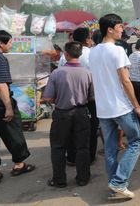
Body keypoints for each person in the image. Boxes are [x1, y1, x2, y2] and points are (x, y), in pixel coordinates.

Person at [89, 14, 140, 200]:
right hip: (120, 106)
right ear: (110, 29)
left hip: (103, 108)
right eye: (120, 27)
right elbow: (125, 80)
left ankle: (115, 183)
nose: (123, 30)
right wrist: (137, 105)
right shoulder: (117, 50)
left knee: (110, 148)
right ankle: (119, 182)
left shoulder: (93, 51)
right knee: (135, 141)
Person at [42, 42, 94, 187]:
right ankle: (83, 178)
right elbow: (92, 96)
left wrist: (59, 99)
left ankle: (59, 180)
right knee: (82, 146)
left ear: (66, 54)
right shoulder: (88, 73)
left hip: (62, 113)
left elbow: (48, 97)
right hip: (82, 112)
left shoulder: (56, 73)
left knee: (58, 147)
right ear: (81, 54)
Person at [0, 30, 35, 185]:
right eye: (10, 42)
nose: (11, 45)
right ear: (1, 43)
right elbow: (0, 84)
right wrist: (8, 107)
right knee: (13, 132)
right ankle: (19, 164)